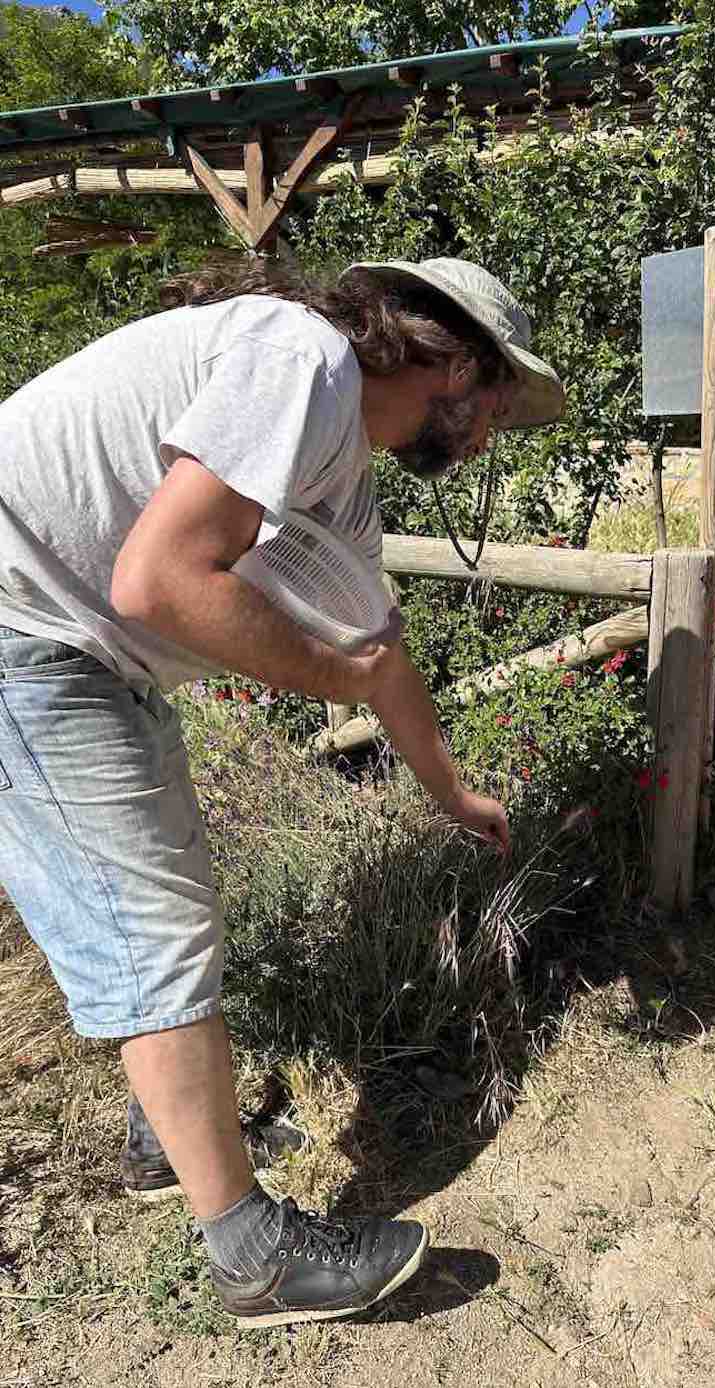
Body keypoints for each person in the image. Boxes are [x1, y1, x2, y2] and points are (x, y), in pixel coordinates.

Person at [0, 256, 564, 1324]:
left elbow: (379, 648)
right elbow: (159, 577)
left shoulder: (338, 457)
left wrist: (450, 791)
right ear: (452, 362)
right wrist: (328, 676)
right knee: (150, 928)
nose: (494, 435)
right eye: (499, 403)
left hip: (76, 645)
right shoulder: (300, 357)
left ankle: (162, 1138)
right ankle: (252, 1256)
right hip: (26, 631)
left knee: (169, 908)